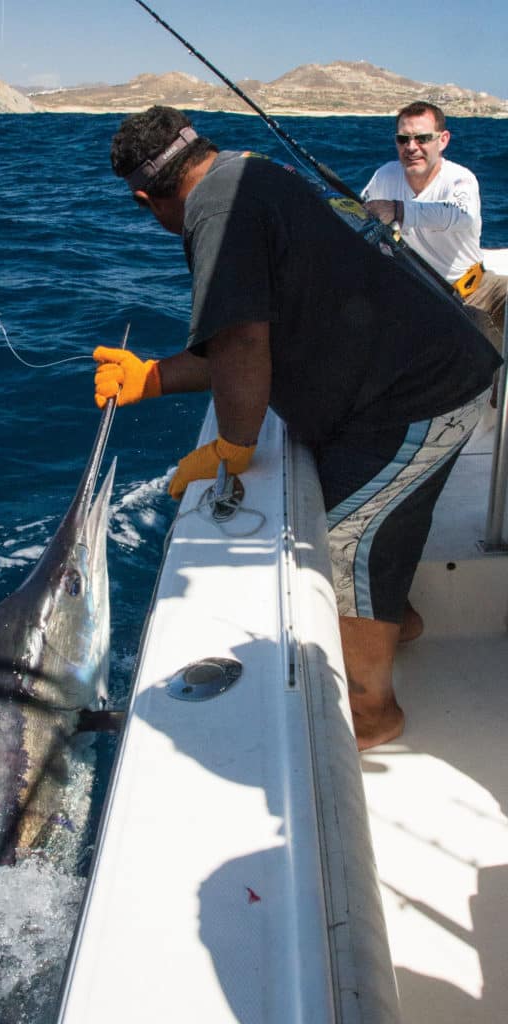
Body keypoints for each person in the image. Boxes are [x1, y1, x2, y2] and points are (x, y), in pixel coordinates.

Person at [93, 105, 502, 751]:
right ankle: (400, 621)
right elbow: (261, 321)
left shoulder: (213, 212)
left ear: (147, 199)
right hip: (409, 377)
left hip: (424, 394)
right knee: (371, 522)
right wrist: (155, 377)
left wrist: (234, 443)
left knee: (340, 542)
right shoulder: (249, 172)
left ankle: (372, 711)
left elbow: (243, 343)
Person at [362, 101, 506, 354]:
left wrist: (399, 211)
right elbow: (359, 215)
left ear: (443, 140)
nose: (411, 147)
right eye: (403, 139)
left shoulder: (460, 178)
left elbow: (461, 216)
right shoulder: (385, 176)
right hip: (420, 297)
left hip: (474, 289)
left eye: (422, 138)